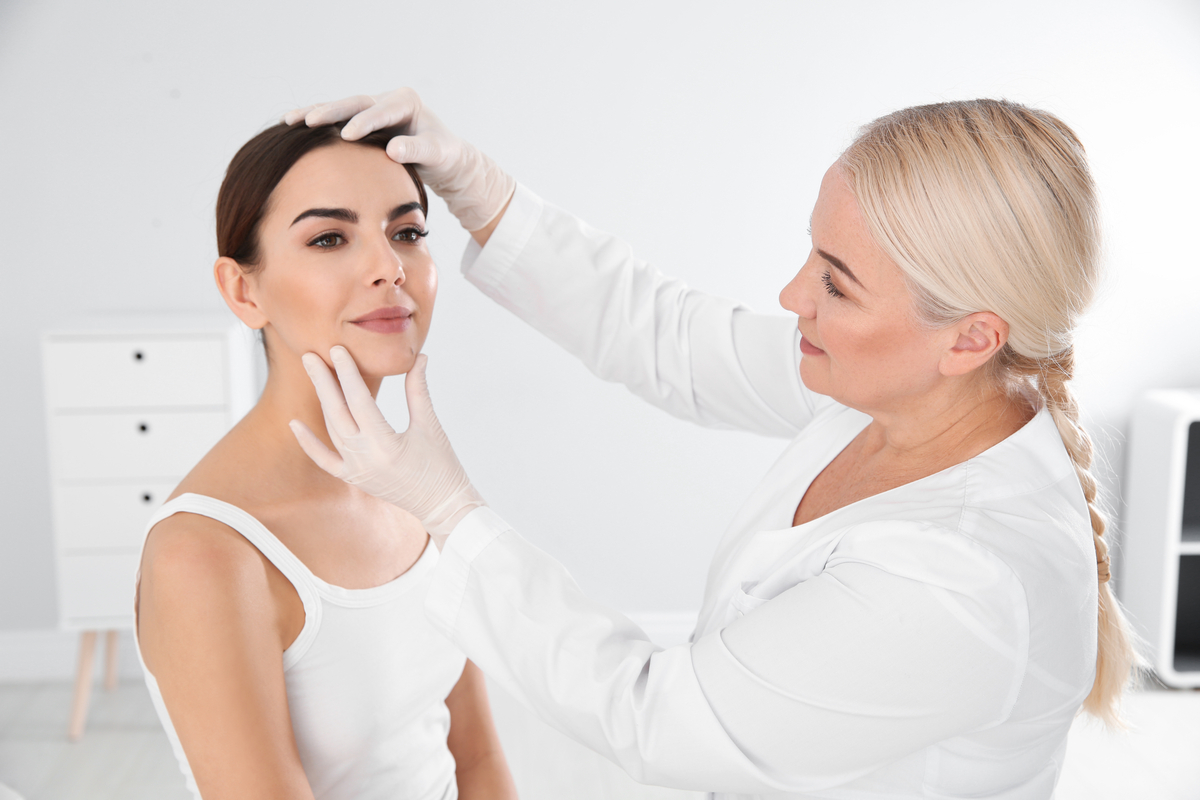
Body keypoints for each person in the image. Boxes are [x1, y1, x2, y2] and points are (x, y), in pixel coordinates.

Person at [286, 91, 1139, 798]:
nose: (793, 293)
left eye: (836, 283)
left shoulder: (964, 584)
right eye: (814, 251)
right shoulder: (909, 389)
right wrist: (482, 191)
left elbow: (652, 715)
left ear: (971, 337)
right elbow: (672, 340)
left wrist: (448, 512)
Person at [133, 119, 517, 800]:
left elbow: (478, 762)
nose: (389, 267)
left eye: (407, 233)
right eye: (329, 238)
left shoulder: (418, 491)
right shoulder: (206, 553)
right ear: (243, 292)